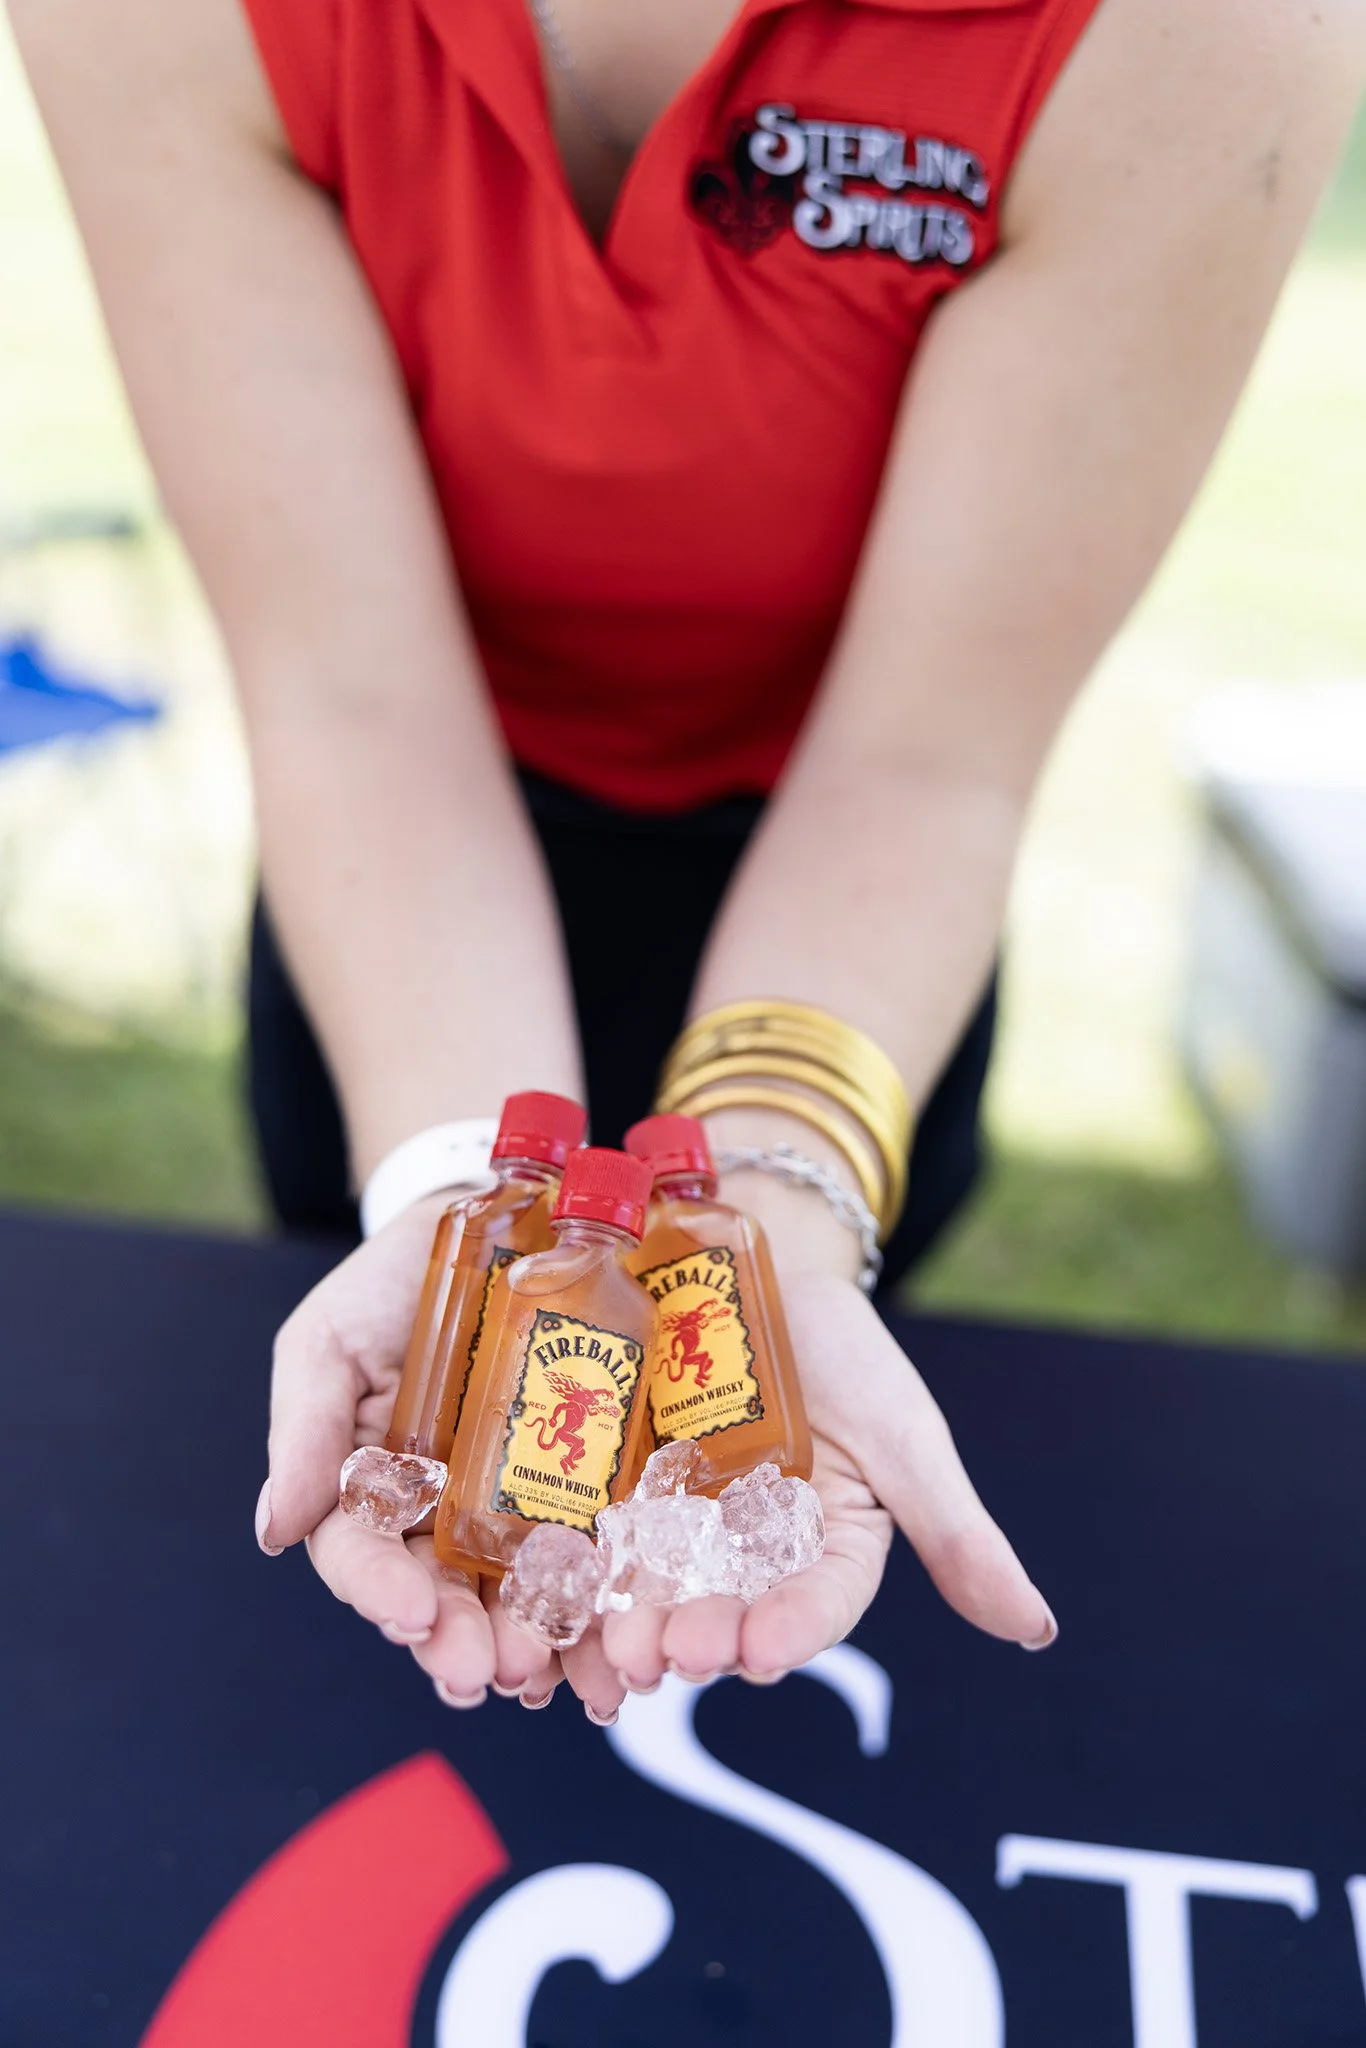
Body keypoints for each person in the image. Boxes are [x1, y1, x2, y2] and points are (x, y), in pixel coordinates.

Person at [14, 0, 1363, 1720]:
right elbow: (354, 702)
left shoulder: (1211, 33)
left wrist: (778, 1205)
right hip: (394, 900)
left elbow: (924, 760)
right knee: (390, 1643)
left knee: (728, 1567)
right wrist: (459, 1195)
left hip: (846, 899)